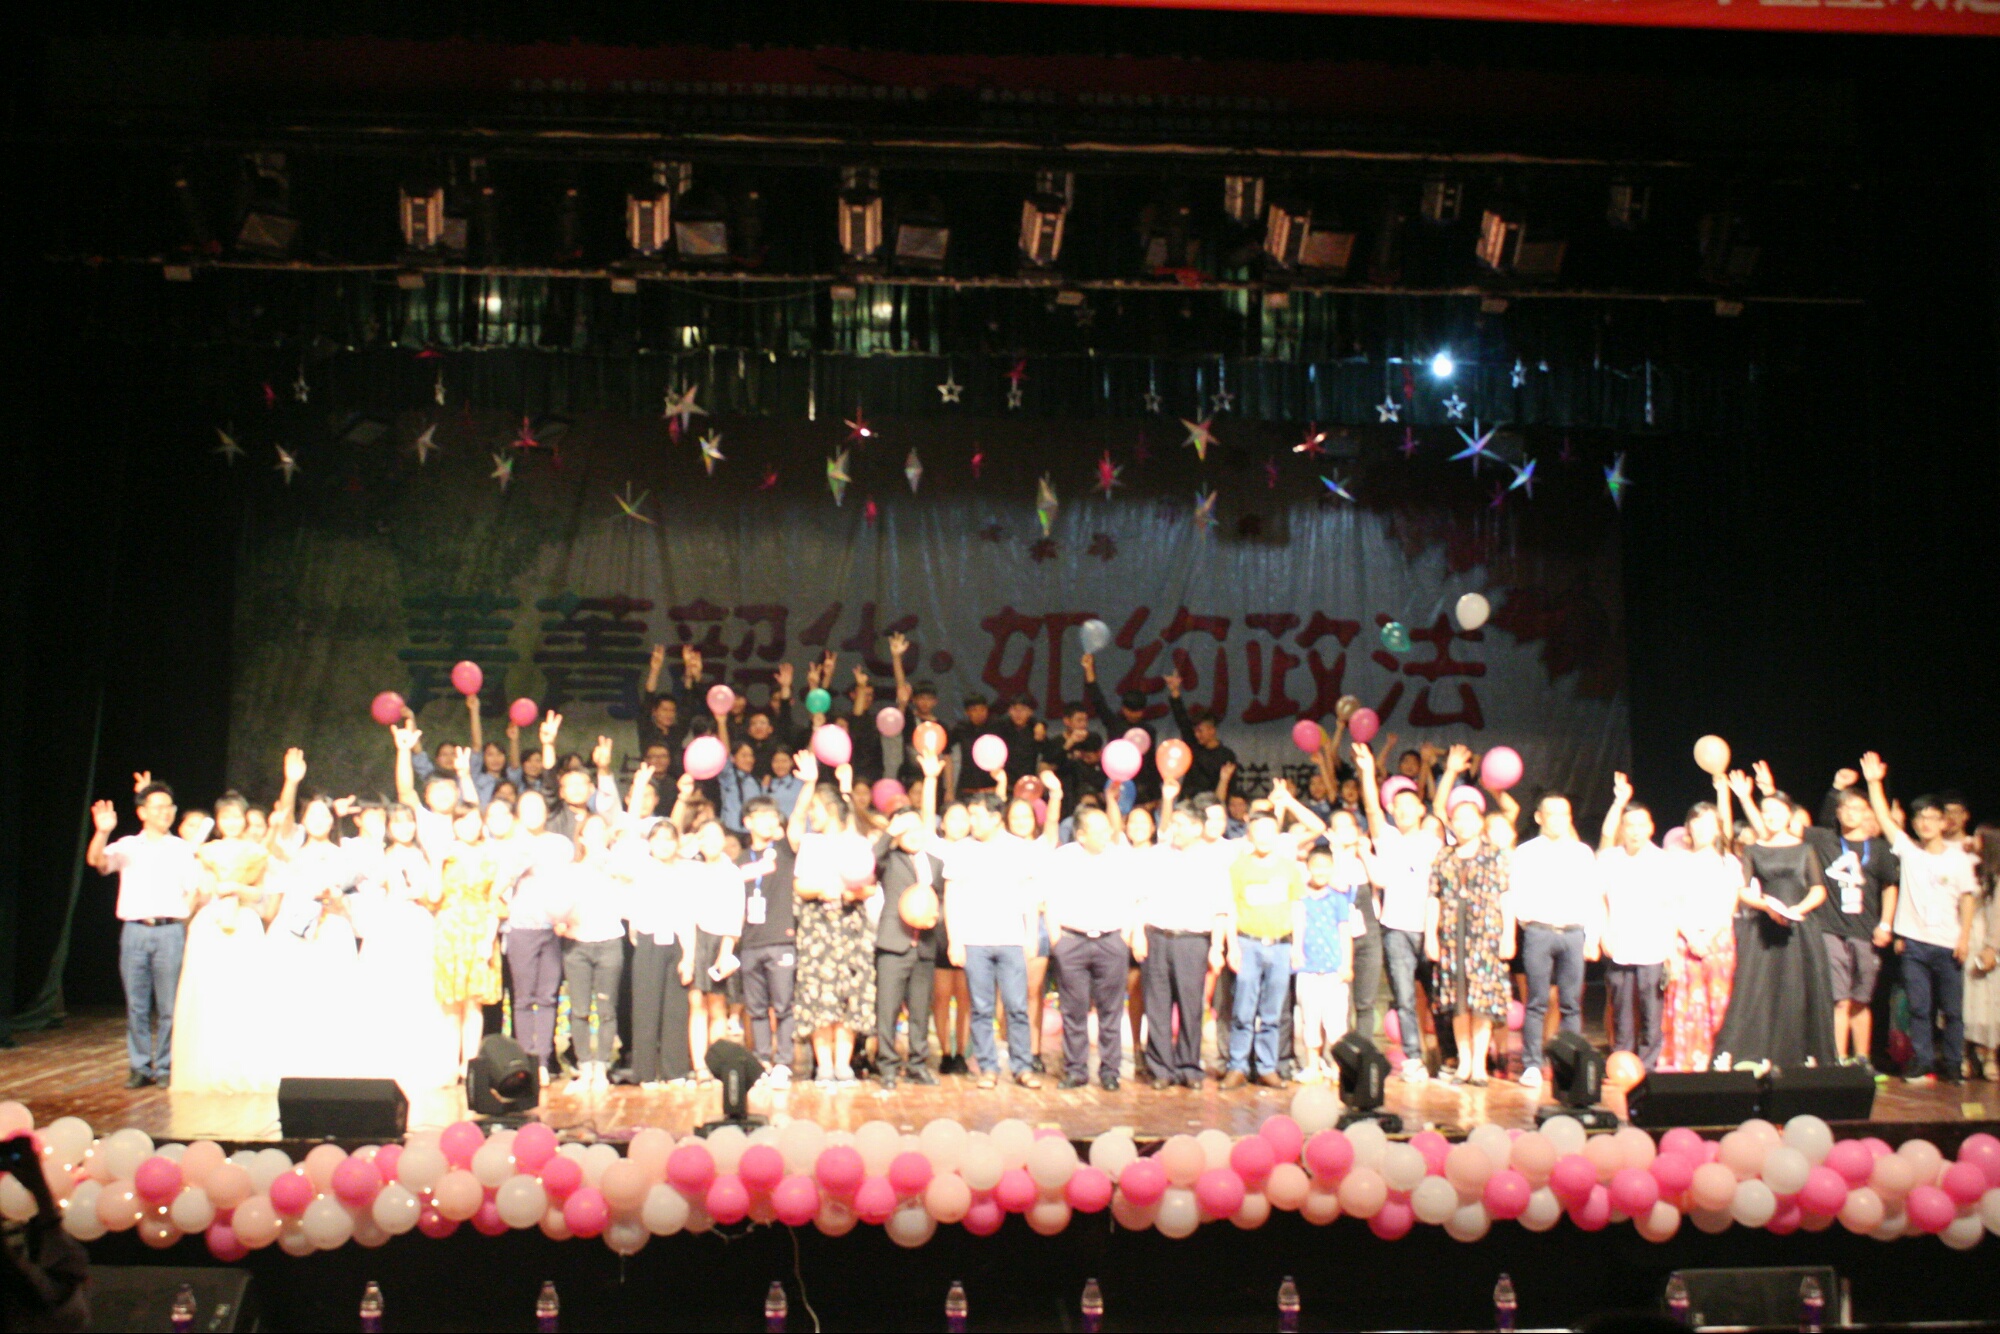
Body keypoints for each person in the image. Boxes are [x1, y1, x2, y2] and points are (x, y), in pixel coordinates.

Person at [1861, 753, 1976, 1083]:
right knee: (1918, 1007)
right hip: (1914, 944)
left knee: (1952, 1010)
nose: (1925, 823)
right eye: (1920, 817)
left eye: (1932, 818)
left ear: (1944, 823)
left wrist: (1965, 938)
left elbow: (1968, 899)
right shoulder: (1909, 850)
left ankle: (1952, 1063)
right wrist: (1874, 783)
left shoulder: (1960, 859)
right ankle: (1923, 1059)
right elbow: (1884, 818)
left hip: (1948, 943)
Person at [1710, 777, 1837, 1071]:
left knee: (1797, 985)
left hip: (1799, 927)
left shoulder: (1805, 848)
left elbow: (1818, 889)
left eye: (1777, 811)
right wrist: (1765, 906)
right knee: (1758, 988)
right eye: (1766, 812)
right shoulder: (1754, 850)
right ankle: (1754, 1052)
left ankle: (1800, 1054)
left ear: (1789, 814)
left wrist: (1798, 909)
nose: (1771, 816)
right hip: (1764, 927)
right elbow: (1742, 890)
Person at [85, 775, 198, 1089]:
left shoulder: (181, 848)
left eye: (169, 807)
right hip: (135, 931)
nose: (165, 812)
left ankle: (165, 1066)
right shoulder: (128, 845)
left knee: (169, 1006)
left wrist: (183, 921)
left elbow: (194, 889)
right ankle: (139, 1065)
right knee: (136, 1004)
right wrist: (102, 831)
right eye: (157, 807)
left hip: (169, 931)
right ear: (142, 812)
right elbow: (97, 861)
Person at [1497, 784, 1600, 1092]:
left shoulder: (1581, 853)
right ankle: (1532, 1063)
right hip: (1539, 932)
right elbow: (1515, 892)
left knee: (1570, 1003)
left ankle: (1569, 1063)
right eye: (1552, 814)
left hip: (1573, 933)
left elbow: (1592, 896)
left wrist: (1592, 937)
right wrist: (1527, 922)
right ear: (1539, 817)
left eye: (1564, 814)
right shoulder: (1526, 852)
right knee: (1536, 1002)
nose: (1558, 820)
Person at [355, 802, 458, 1091]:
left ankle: (423, 1063)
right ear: (389, 827)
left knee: (421, 990)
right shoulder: (381, 855)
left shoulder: (424, 855)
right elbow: (371, 890)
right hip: (388, 926)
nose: (405, 828)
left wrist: (431, 869)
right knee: (388, 992)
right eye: (397, 822)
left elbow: (434, 896)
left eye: (409, 821)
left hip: (419, 925)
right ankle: (385, 1063)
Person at [945, 792, 1044, 1088]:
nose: (972, 822)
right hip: (974, 940)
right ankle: (988, 1067)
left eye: (977, 815)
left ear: (996, 817)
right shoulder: (961, 850)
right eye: (970, 815)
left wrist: (1031, 935)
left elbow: (1030, 896)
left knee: (1016, 1006)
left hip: (1011, 939)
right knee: (981, 1007)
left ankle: (1022, 1067)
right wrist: (954, 940)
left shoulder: (1020, 849)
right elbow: (952, 897)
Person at [170, 795, 267, 1093]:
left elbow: (259, 893)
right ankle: (208, 1067)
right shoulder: (206, 851)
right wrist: (213, 886)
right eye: (226, 817)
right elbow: (202, 887)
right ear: (218, 821)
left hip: (244, 922)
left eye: (237, 817)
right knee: (209, 991)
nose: (232, 823)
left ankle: (242, 1065)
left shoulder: (256, 852)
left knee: (242, 993)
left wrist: (236, 887)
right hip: (211, 921)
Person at [1042, 784, 1134, 1090]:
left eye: (1107, 828)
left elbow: (1131, 898)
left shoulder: (1119, 857)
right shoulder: (1063, 858)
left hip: (1110, 941)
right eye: (1099, 830)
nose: (1107, 834)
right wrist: (1057, 939)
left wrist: (1125, 936)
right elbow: (1050, 899)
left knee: (1110, 1010)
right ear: (1081, 835)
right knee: (1074, 1010)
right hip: (1072, 941)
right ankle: (1076, 1069)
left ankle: (1110, 1071)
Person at [1136, 790, 1229, 1087]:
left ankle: (1189, 1066)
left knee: (1191, 1005)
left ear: (1198, 827)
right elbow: (1140, 899)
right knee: (1157, 1005)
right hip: (1157, 937)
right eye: (1173, 823)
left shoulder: (1213, 861)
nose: (1174, 829)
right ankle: (1161, 1069)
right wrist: (1138, 933)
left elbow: (1221, 909)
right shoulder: (1156, 856)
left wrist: (1217, 947)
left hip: (1193, 941)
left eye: (1181, 824)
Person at [1803, 786, 1900, 1068]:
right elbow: (1786, 824)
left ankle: (1862, 1059)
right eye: (1845, 808)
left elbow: (1889, 887)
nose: (1851, 813)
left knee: (1860, 1000)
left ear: (1868, 813)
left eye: (1857, 808)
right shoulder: (1824, 839)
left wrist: (1885, 924)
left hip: (1865, 931)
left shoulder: (1879, 848)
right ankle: (1838, 1059)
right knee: (1840, 1000)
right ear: (1837, 811)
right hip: (1831, 929)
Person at [1426, 790, 1515, 1087]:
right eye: (1457, 819)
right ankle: (1464, 1062)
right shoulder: (1444, 856)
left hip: (1485, 936)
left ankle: (1479, 1064)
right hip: (1452, 937)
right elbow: (1433, 898)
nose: (1463, 824)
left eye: (1469, 818)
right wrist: (1431, 937)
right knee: (1458, 1001)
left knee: (1482, 1000)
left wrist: (1508, 935)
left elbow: (1506, 897)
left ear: (1480, 822)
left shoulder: (1495, 855)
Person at [1222, 807, 1305, 1088]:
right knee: (1243, 1010)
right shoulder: (1238, 868)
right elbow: (1231, 908)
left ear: (1278, 834)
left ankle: (1267, 1067)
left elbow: (1297, 907)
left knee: (1273, 1012)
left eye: (1270, 831)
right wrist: (1232, 946)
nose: (1264, 837)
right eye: (1259, 831)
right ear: (1250, 834)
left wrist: (1297, 946)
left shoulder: (1289, 868)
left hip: (1280, 946)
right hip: (1249, 944)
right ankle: (1237, 1066)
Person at [1597, 773, 1675, 1070]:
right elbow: (1599, 900)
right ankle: (1623, 1061)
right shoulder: (1610, 859)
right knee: (1621, 1009)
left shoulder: (1663, 860)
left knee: (1651, 1010)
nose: (1636, 831)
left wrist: (1671, 950)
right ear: (1623, 828)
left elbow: (1670, 907)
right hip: (1619, 944)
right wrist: (1602, 933)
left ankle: (1648, 1065)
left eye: (1642, 825)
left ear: (1651, 828)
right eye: (1630, 825)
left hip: (1653, 947)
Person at [1659, 793, 1742, 1073]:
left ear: (1718, 828)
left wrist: (1707, 936)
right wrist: (1692, 936)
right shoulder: (1675, 861)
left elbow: (1729, 905)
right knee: (1686, 1002)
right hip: (1685, 941)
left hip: (1718, 940)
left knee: (1718, 1001)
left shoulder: (1729, 863)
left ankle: (1717, 1059)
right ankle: (1686, 1061)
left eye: (1709, 823)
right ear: (1688, 827)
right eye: (1697, 822)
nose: (1702, 828)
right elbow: (1671, 904)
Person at [872, 801, 944, 1088]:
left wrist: (936, 917)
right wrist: (890, 832)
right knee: (887, 1010)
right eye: (906, 829)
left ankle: (917, 1064)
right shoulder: (889, 860)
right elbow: (870, 862)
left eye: (917, 828)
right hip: (894, 943)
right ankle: (888, 1066)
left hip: (924, 945)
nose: (913, 834)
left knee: (920, 1011)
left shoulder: (935, 863)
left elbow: (940, 900)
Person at [501, 795, 573, 1079]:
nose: (533, 814)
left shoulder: (560, 844)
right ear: (519, 814)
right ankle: (525, 1062)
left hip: (553, 928)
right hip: (521, 927)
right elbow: (498, 887)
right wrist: (517, 866)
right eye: (527, 809)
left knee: (547, 997)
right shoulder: (510, 845)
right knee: (522, 998)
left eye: (538, 808)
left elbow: (568, 883)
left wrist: (565, 916)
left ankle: (542, 1060)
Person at [432, 802, 507, 1076]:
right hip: (450, 930)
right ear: (454, 824)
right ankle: (449, 1064)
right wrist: (435, 862)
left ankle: (470, 1066)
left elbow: (495, 900)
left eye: (475, 820)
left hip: (480, 930)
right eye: (463, 821)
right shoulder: (446, 855)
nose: (470, 826)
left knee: (474, 1003)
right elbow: (434, 896)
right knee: (451, 1004)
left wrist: (489, 937)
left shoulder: (492, 854)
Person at [552, 815, 626, 1089]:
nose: (595, 835)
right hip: (577, 945)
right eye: (589, 831)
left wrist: (611, 866)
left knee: (607, 1010)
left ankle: (602, 1067)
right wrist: (559, 921)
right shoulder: (570, 871)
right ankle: (585, 1067)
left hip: (609, 942)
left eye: (600, 830)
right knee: (580, 1010)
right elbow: (559, 905)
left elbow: (630, 888)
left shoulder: (616, 866)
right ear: (581, 837)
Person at [620, 820, 696, 1087]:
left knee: (675, 1009)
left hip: (676, 943)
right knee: (646, 1008)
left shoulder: (685, 873)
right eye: (658, 839)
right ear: (649, 843)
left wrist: (688, 957)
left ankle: (675, 1071)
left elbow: (688, 918)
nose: (663, 845)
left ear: (677, 843)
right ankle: (646, 1072)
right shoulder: (640, 869)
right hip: (648, 941)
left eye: (669, 839)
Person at [735, 795, 799, 1087]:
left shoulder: (784, 850)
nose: (769, 821)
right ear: (747, 822)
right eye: (761, 816)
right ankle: (761, 1060)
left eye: (773, 816)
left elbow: (797, 819)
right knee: (756, 1008)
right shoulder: (739, 861)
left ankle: (783, 1062)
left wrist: (809, 784)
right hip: (750, 942)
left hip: (781, 939)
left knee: (783, 1005)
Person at [685, 817, 746, 1080]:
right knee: (697, 1003)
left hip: (721, 941)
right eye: (704, 836)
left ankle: (715, 1064)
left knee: (718, 1006)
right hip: (695, 939)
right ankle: (699, 1066)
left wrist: (726, 950)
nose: (710, 841)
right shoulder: (690, 869)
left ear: (724, 840)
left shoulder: (732, 872)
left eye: (715, 836)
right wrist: (688, 955)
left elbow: (736, 915)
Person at [1165, 670, 1238, 799]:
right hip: (1187, 802)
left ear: (1212, 730)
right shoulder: (1193, 745)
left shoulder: (1226, 755)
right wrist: (1175, 692)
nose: (1196, 734)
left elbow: (1230, 786)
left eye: (1200, 730)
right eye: (1195, 731)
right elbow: (1182, 720)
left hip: (1211, 804)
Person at [1964, 826, 2000, 1082]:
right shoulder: (1966, 867)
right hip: (1967, 939)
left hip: (1987, 942)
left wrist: (1992, 947)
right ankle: (1965, 1055)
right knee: (1966, 1002)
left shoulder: (1995, 876)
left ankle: (1989, 1057)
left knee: (1990, 1003)